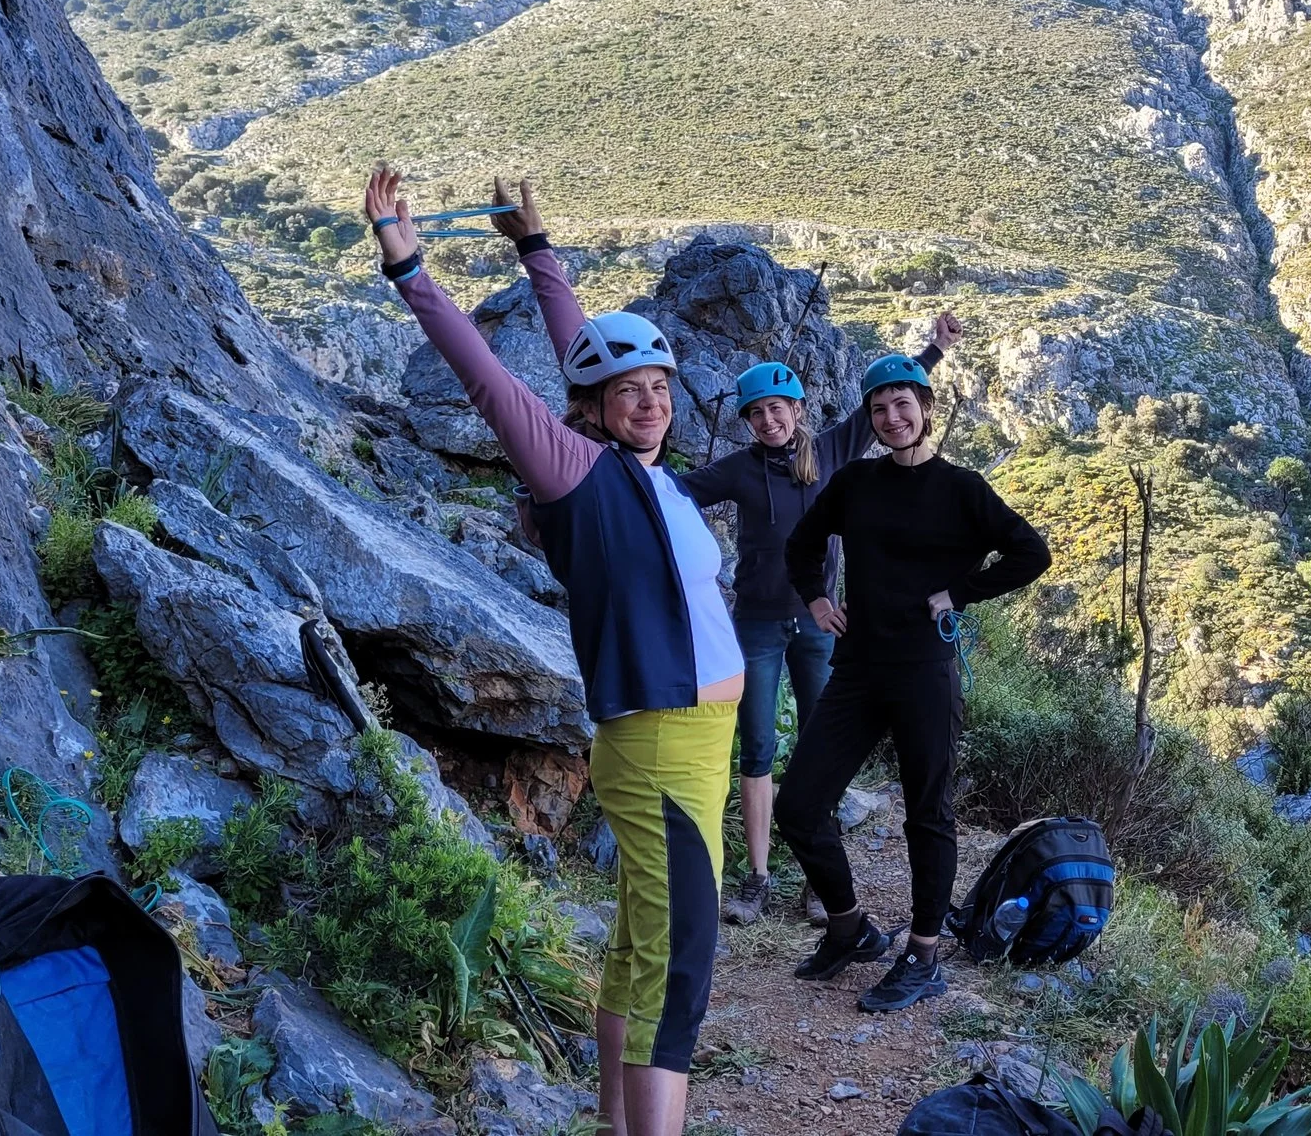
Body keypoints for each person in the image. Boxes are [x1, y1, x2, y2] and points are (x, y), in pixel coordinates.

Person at [364, 166, 738, 1136]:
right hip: (659, 738)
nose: (648, 401)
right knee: (677, 953)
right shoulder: (576, 471)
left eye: (659, 386)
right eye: (628, 391)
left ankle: (616, 1123)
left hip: (694, 741)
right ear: (593, 402)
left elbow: (583, 344)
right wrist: (410, 266)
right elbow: (489, 380)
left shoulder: (655, 478)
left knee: (638, 945)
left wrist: (538, 250)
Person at [776, 354, 1051, 1013]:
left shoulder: (962, 489)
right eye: (879, 408)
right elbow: (801, 546)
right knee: (798, 805)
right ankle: (849, 930)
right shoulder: (856, 482)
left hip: (926, 673)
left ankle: (923, 954)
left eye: (904, 405)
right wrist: (816, 599)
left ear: (926, 409)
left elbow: (1030, 552)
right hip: (858, 668)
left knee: (929, 815)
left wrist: (957, 592)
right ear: (870, 419)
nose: (892, 418)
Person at [672, 318, 963, 927]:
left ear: (798, 409)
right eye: (757, 414)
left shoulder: (833, 448)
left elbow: (895, 398)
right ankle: (755, 878)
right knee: (755, 748)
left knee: (818, 748)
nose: (769, 422)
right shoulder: (738, 469)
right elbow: (673, 489)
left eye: (777, 409)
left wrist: (937, 346)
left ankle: (815, 875)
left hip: (819, 626)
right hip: (754, 623)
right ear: (748, 421)